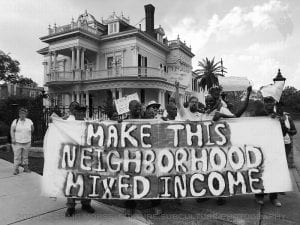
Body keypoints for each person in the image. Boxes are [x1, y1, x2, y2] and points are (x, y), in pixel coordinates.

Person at [64, 101, 95, 217]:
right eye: (78, 111)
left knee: (86, 180)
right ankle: (70, 206)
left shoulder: (89, 123)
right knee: (71, 180)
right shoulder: (67, 123)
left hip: (86, 156)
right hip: (72, 156)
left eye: (83, 111)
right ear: (74, 112)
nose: (81, 113)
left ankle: (86, 203)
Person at [254, 96, 282, 207]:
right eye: (267, 102)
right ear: (264, 103)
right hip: (260, 147)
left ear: (274, 103)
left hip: (274, 148)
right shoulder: (257, 115)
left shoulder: (279, 115)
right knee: (260, 172)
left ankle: (274, 197)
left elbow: (284, 132)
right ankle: (259, 195)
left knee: (274, 172)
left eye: (271, 102)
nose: (269, 104)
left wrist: (280, 121)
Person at [10, 107, 34, 175]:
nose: (22, 115)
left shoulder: (29, 121)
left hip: (27, 142)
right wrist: (13, 138)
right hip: (17, 142)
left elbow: (32, 129)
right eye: (21, 113)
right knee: (17, 156)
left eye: (24, 113)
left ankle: (25, 168)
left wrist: (28, 135)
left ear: (26, 114)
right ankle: (16, 169)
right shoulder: (15, 121)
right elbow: (12, 130)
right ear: (19, 114)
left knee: (25, 156)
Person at [276, 101, 297, 168]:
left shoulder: (288, 118)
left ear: (283, 107)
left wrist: (287, 130)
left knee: (286, 160)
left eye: (281, 106)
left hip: (287, 143)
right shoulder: (272, 118)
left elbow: (294, 131)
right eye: (277, 106)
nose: (279, 108)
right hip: (276, 144)